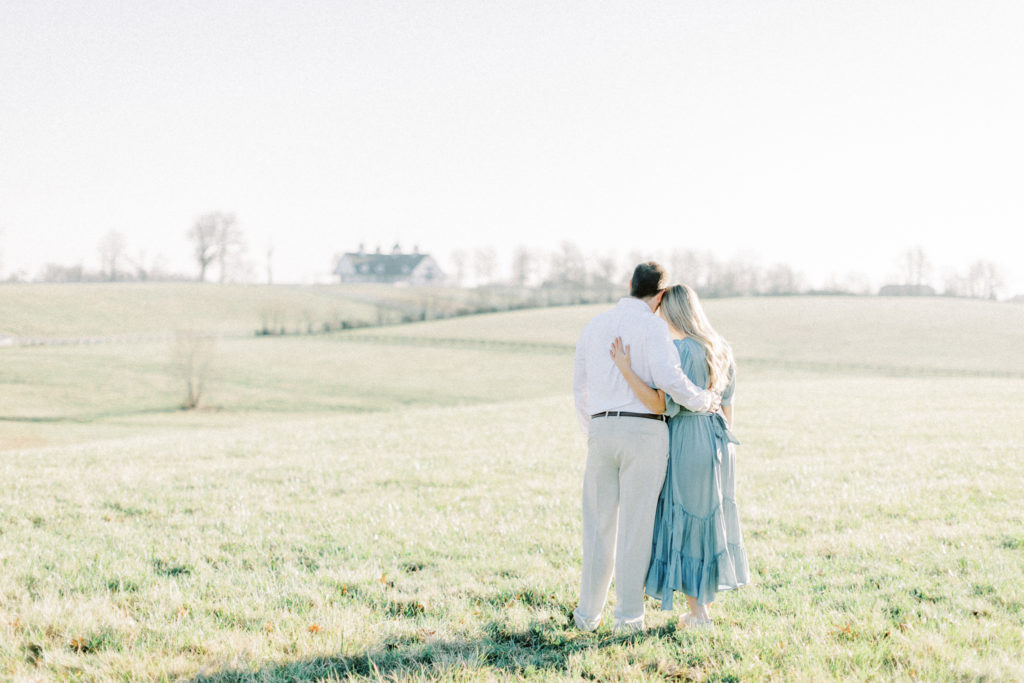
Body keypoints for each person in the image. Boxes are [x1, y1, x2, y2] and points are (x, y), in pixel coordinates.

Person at [571, 263, 720, 633]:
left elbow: (580, 387)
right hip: (644, 433)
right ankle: (628, 618)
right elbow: (670, 381)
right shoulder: (653, 327)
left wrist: (596, 427)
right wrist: (703, 401)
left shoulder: (595, 326)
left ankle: (587, 616)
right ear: (661, 294)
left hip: (602, 430)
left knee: (597, 526)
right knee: (636, 527)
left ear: (629, 285)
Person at [610, 283, 748, 628]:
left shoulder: (680, 351)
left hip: (688, 436)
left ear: (671, 313)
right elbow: (728, 406)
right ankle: (700, 608)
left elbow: (662, 401)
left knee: (686, 522)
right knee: (706, 522)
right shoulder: (720, 348)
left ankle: (699, 613)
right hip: (718, 440)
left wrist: (625, 368)